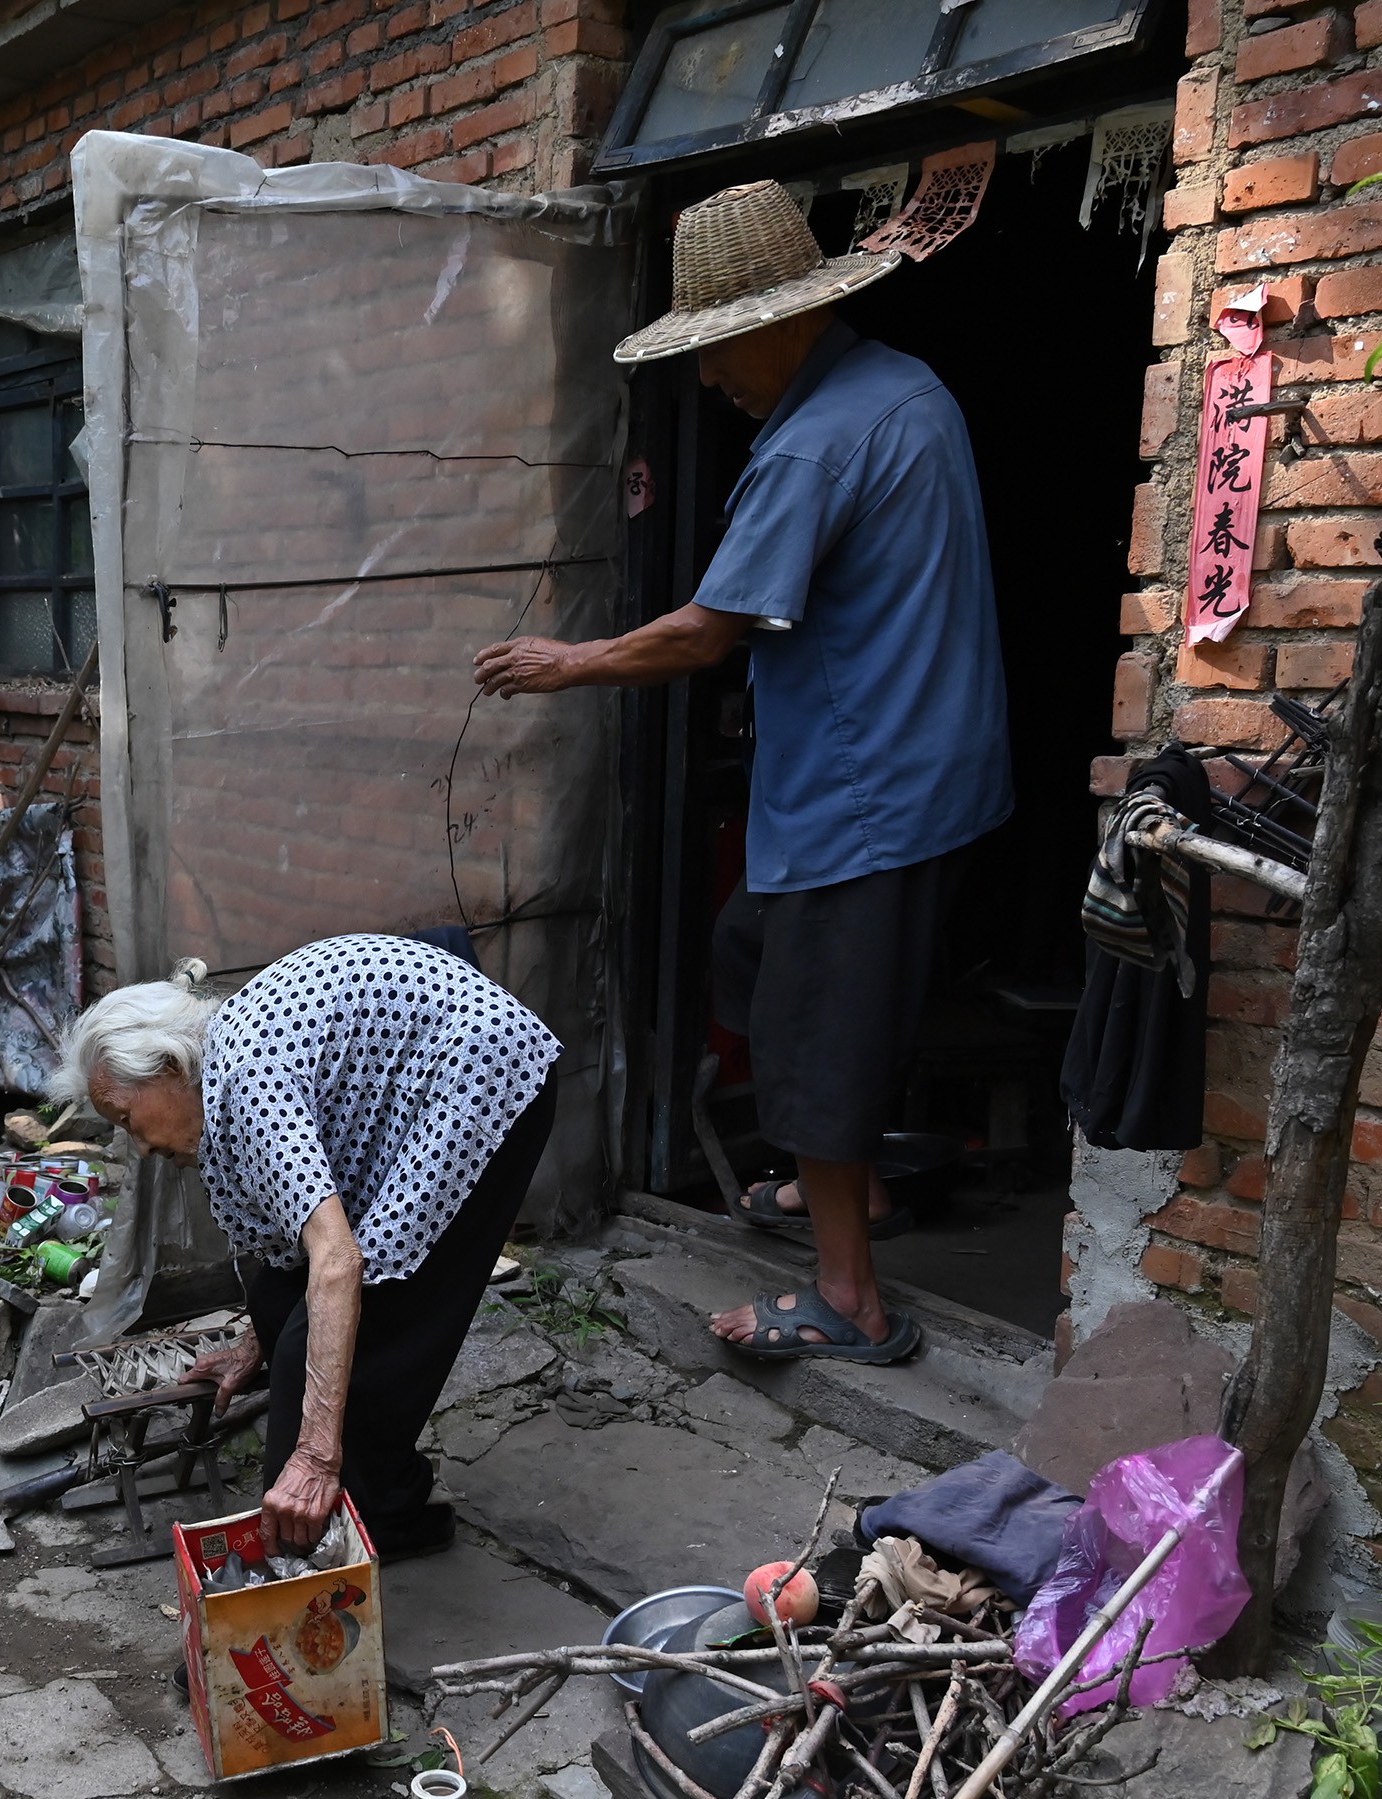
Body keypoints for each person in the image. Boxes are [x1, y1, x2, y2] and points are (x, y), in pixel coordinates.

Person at [472, 179, 1011, 1366]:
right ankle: (853, 1192)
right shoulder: (899, 386)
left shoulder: (815, 444)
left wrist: (569, 662)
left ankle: (847, 1299)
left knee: (814, 1034)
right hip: (923, 763)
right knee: (757, 953)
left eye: (716, 352)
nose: (709, 379)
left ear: (776, 322)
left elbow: (709, 630)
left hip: (865, 786)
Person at [49, 935, 556, 1554]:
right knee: (276, 1302)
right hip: (412, 1087)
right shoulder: (221, 1072)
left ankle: (346, 1532)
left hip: (484, 1077)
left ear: (170, 1069)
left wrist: (315, 1454)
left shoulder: (248, 1085)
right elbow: (293, 1258)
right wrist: (251, 1344)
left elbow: (339, 1262)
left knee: (363, 1323)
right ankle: (383, 1497)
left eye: (129, 1119)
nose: (143, 1146)